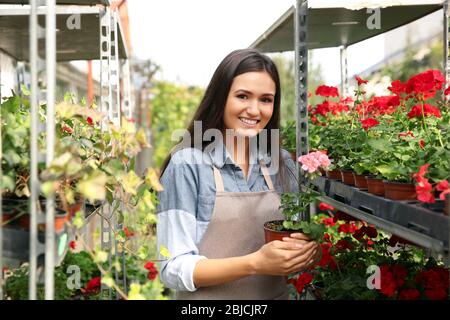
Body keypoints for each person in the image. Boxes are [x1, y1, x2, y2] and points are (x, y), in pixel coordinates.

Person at [156, 48, 321, 300]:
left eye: (266, 99)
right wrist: (255, 263)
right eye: (243, 96)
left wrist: (308, 250)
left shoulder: (281, 162)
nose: (255, 110)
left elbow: (299, 237)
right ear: (221, 97)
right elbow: (173, 267)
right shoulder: (188, 165)